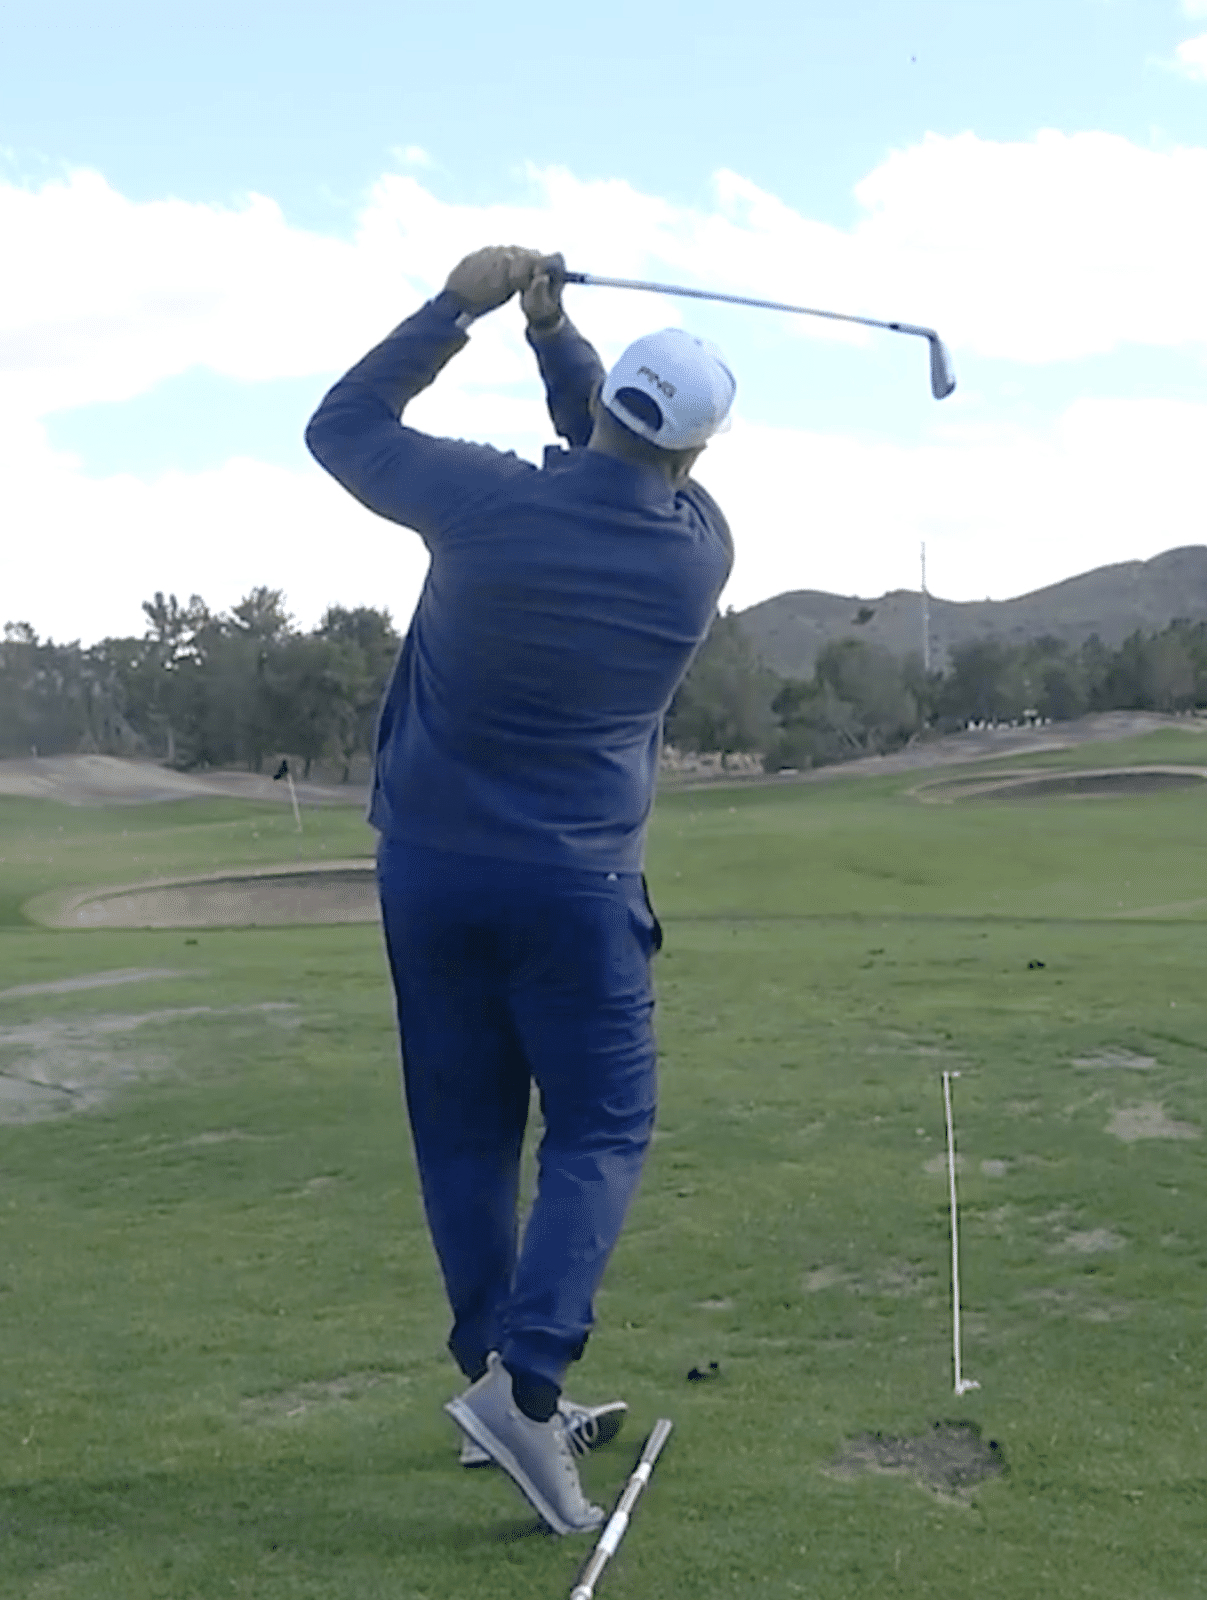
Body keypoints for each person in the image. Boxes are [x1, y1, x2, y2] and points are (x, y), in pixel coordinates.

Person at [304, 245, 736, 1534]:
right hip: (578, 887)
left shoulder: (481, 504)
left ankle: (494, 1384)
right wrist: (559, 342)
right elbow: (619, 461)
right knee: (600, 1131)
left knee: (467, 1139)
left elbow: (342, 428)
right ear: (696, 459)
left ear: (607, 419)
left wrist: (466, 310)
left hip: (428, 871)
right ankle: (528, 1386)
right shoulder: (695, 554)